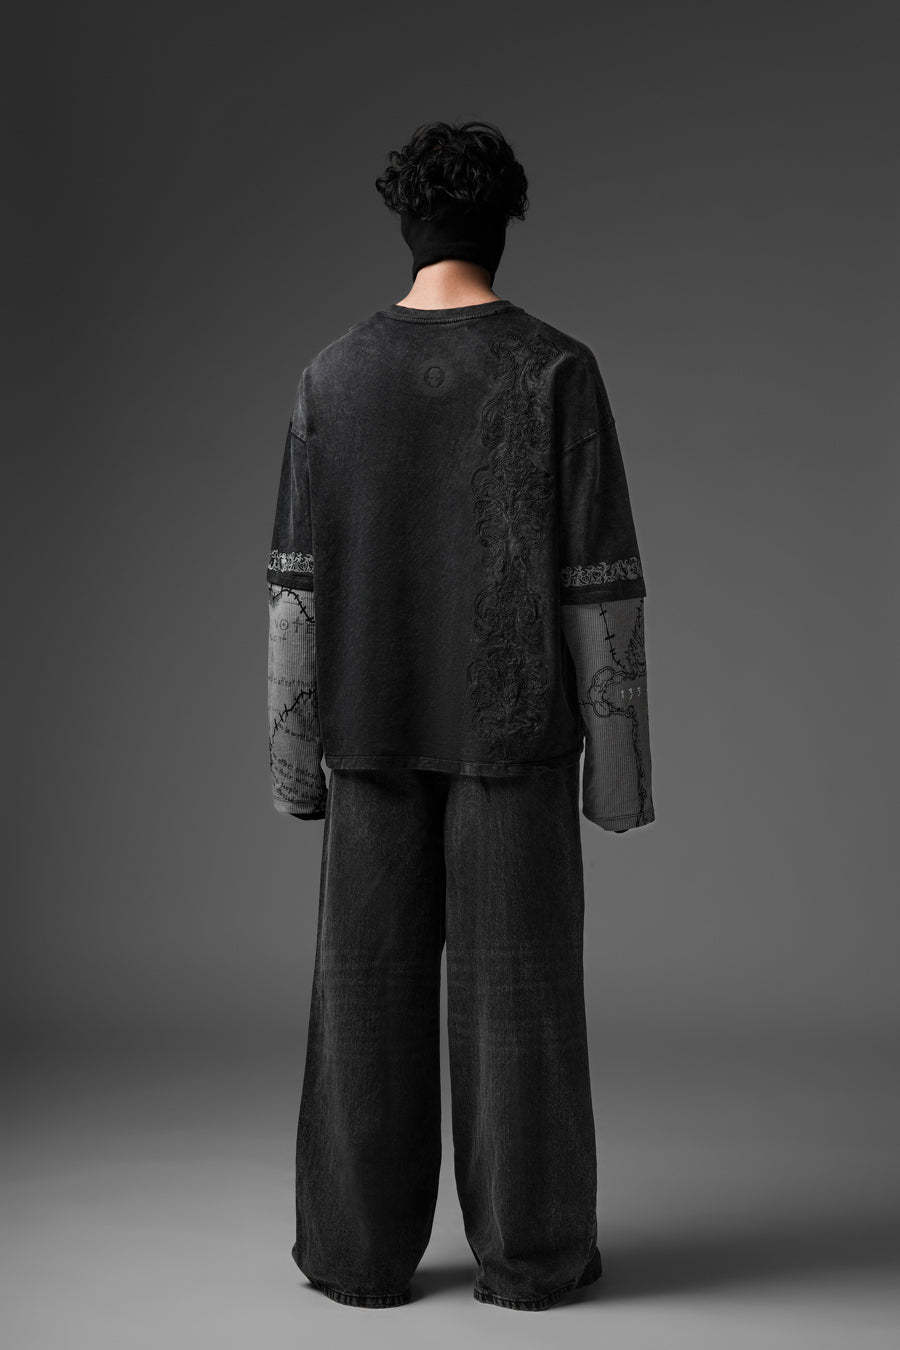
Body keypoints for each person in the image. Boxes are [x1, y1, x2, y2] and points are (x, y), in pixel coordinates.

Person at [266, 119, 655, 1312]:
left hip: (364, 726)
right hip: (516, 733)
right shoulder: (556, 370)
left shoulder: (332, 376)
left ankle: (355, 1256)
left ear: (407, 220)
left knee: (361, 1007)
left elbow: (294, 586)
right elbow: (602, 582)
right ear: (502, 223)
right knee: (522, 1011)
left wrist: (292, 765)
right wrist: (620, 776)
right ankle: (531, 1260)